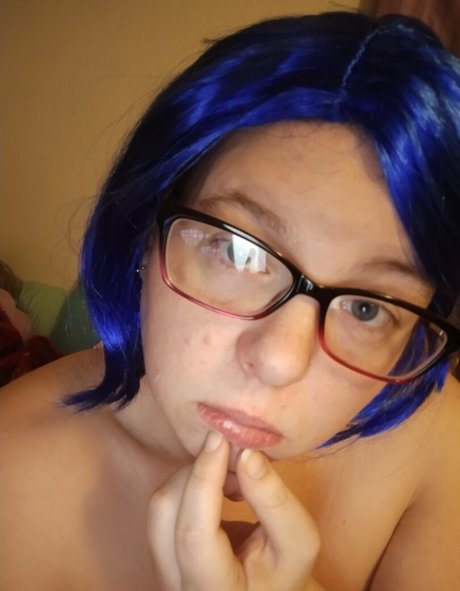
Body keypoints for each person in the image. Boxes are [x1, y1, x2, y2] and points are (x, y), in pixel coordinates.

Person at [1, 10, 460, 591]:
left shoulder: (437, 442)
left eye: (367, 308)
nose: (280, 361)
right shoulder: (11, 479)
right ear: (146, 229)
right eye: (239, 252)